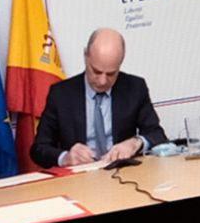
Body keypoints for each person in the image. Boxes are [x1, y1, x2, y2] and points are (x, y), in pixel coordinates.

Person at [29, 28, 166, 169]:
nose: (102, 81)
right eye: (96, 71)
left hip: (123, 173)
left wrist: (136, 143)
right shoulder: (60, 94)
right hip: (78, 179)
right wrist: (66, 157)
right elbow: (39, 149)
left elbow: (157, 135)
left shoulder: (135, 88)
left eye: (111, 74)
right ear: (85, 56)